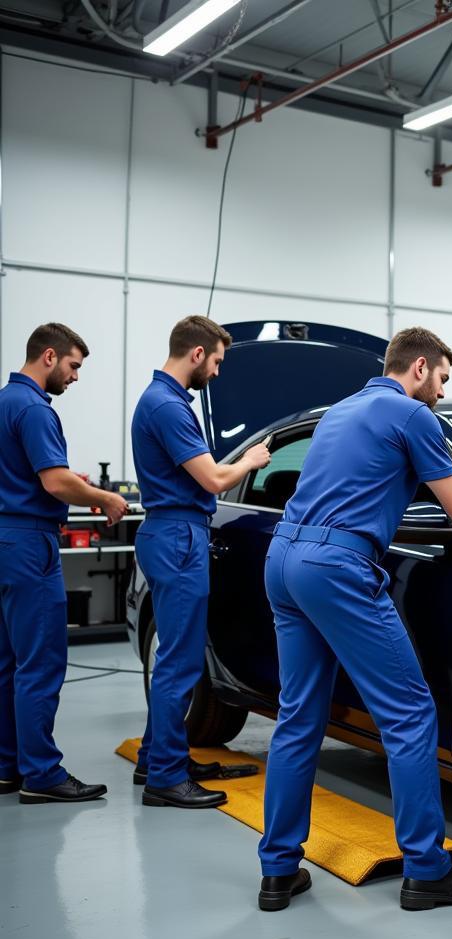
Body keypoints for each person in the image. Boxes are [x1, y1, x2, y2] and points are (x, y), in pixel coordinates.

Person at [258, 326, 452, 912]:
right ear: (420, 367)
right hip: (337, 566)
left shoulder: (341, 412)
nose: (443, 393)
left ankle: (277, 871)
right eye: (444, 378)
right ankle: (426, 870)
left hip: (284, 559)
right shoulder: (409, 414)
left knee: (298, 717)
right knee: (409, 712)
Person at [131, 315, 270, 809]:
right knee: (181, 662)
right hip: (177, 537)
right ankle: (166, 779)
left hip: (173, 533)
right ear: (195, 354)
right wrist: (251, 461)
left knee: (175, 656)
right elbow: (213, 480)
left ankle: (157, 757)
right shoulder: (168, 406)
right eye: (215, 361)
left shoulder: (161, 401)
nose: (215, 371)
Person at [0, 323, 128, 803]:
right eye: (74, 366)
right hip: (30, 544)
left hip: (4, 537)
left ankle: (7, 767)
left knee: (8, 663)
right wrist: (102, 497)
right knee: (41, 662)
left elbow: (24, 472)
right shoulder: (35, 408)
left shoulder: (4, 402)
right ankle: (42, 775)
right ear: (49, 357)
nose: (75, 377)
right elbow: (54, 484)